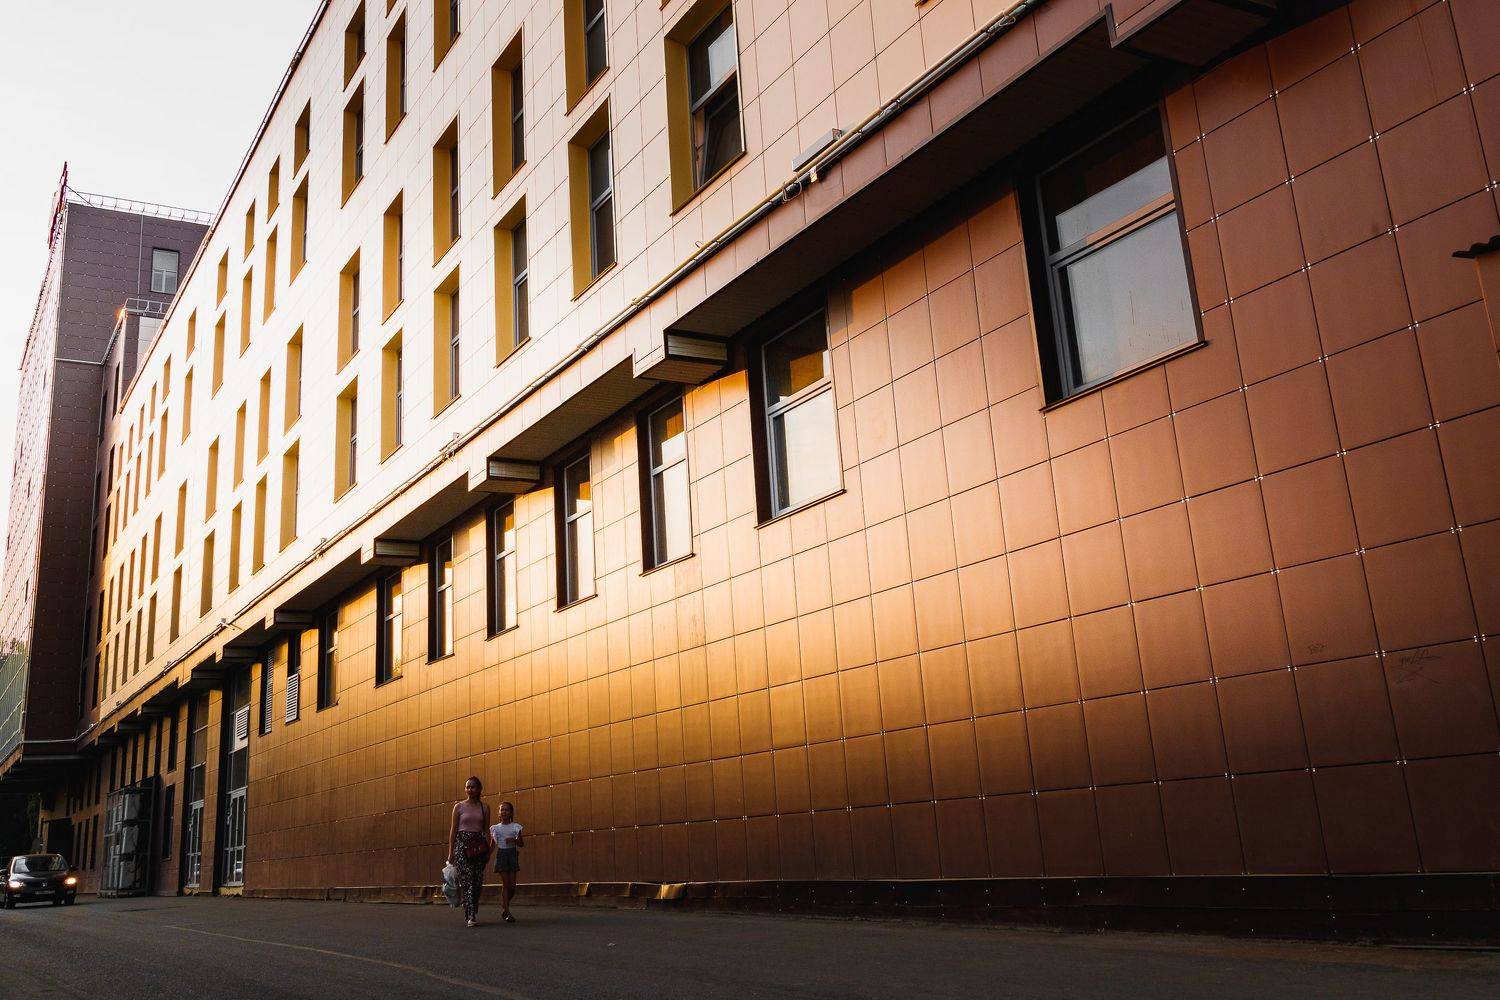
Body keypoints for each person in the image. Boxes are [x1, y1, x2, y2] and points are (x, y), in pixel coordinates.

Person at [446, 776, 492, 927]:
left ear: (479, 789)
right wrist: (451, 852)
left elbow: (486, 830)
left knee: (477, 881)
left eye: (472, 787)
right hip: (461, 846)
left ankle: (472, 908)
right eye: (467, 787)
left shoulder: (484, 807)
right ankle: (470, 915)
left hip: (478, 847)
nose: (469, 789)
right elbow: (453, 830)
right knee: (467, 880)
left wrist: (488, 850)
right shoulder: (458, 807)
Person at [488, 800, 525, 923]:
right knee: (506, 883)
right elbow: (492, 844)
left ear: (511, 813)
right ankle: (507, 912)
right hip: (502, 855)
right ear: (498, 813)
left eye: (507, 810)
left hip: (512, 855)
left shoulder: (516, 827)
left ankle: (505, 904)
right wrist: (487, 856)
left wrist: (514, 840)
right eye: (502, 809)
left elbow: (521, 843)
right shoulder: (495, 828)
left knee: (512, 886)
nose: (504, 812)